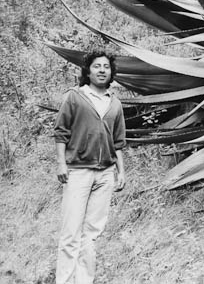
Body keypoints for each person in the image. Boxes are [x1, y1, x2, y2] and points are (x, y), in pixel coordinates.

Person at [53, 50, 126, 284]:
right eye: (97, 66)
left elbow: (119, 141)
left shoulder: (115, 103)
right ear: (88, 71)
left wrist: (121, 171)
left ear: (112, 72)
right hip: (78, 171)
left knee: (91, 234)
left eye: (106, 66)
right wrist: (61, 164)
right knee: (70, 233)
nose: (102, 70)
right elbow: (61, 132)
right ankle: (64, 280)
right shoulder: (75, 97)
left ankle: (84, 280)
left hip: (105, 174)